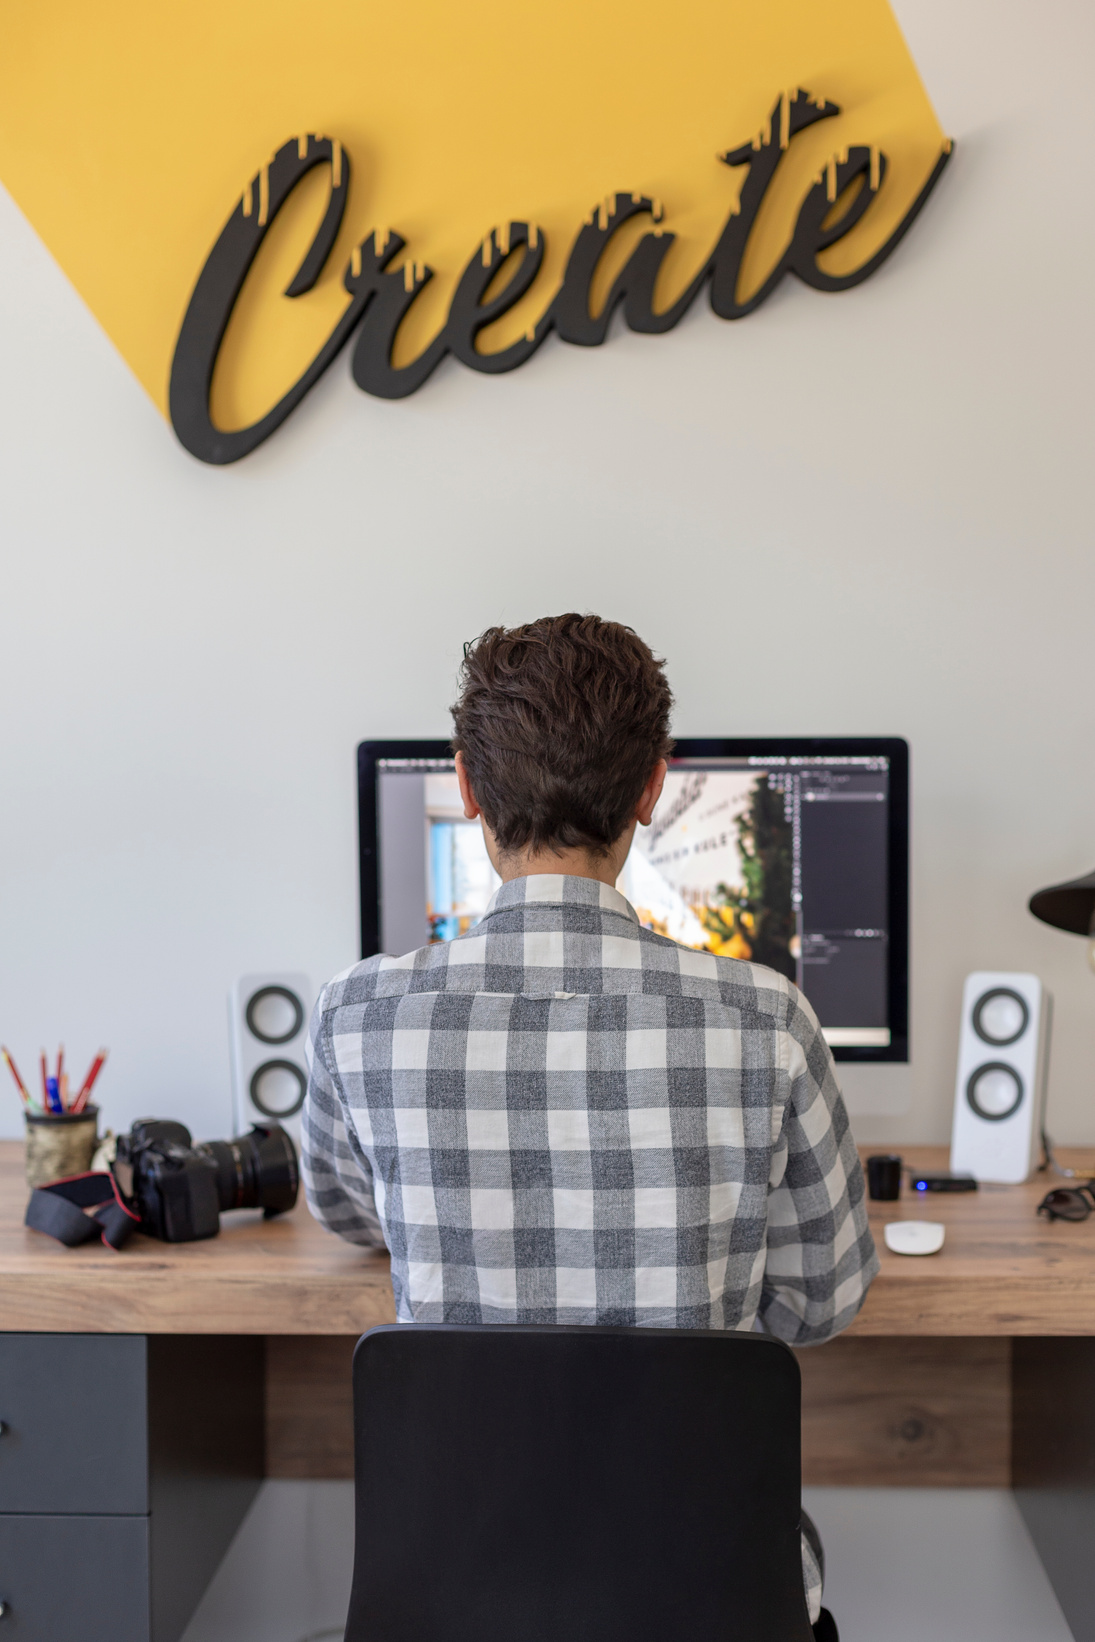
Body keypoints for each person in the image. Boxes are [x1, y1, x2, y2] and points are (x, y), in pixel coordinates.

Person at [302, 612, 878, 1630]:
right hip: (709, 1600)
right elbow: (824, 1300)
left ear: (469, 787)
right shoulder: (768, 1017)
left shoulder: (357, 1013)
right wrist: (705, 1304)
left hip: (452, 1599)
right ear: (653, 786)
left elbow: (351, 1218)